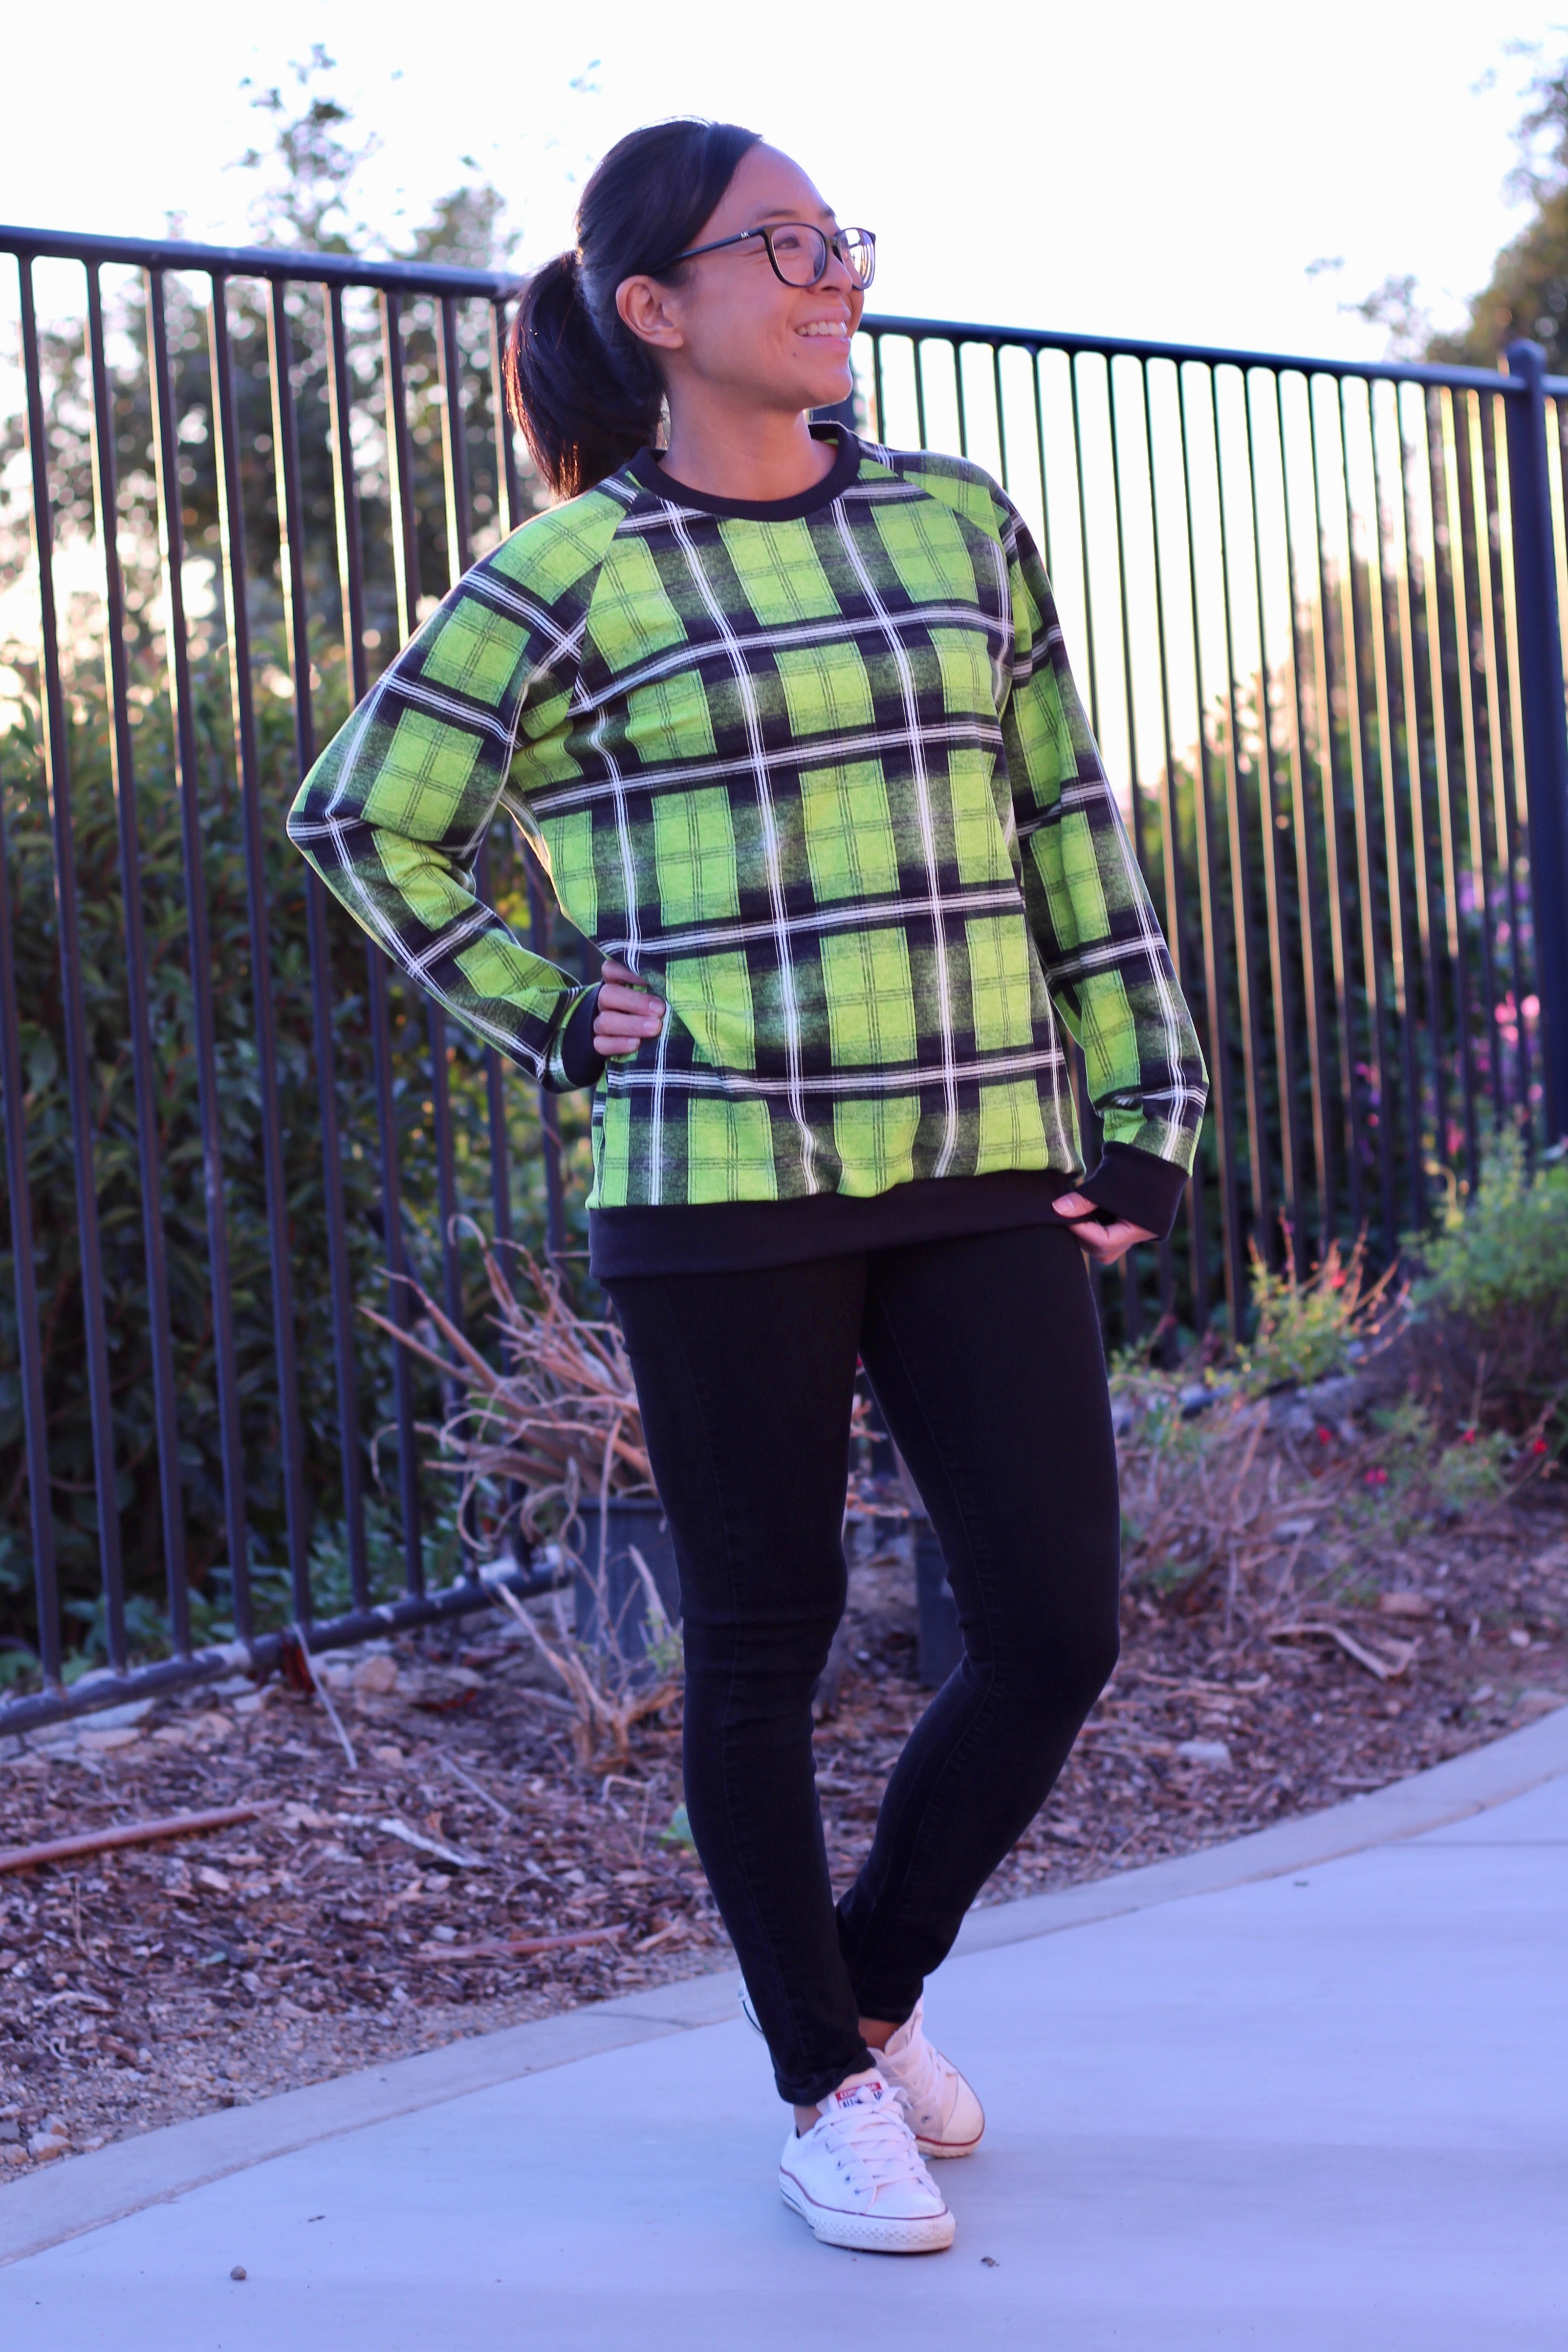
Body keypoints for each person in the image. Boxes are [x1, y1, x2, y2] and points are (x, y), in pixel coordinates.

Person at [288, 117, 1206, 2257]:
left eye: (835, 238)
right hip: (715, 1176)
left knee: (1054, 1626)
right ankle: (823, 2091)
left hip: (979, 1150)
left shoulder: (958, 525)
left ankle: (863, 1995)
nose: (833, 274)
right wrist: (547, 1005)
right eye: (782, 245)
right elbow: (362, 817)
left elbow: (1068, 826)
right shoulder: (568, 574)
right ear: (656, 306)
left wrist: (1148, 1101)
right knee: (764, 1642)